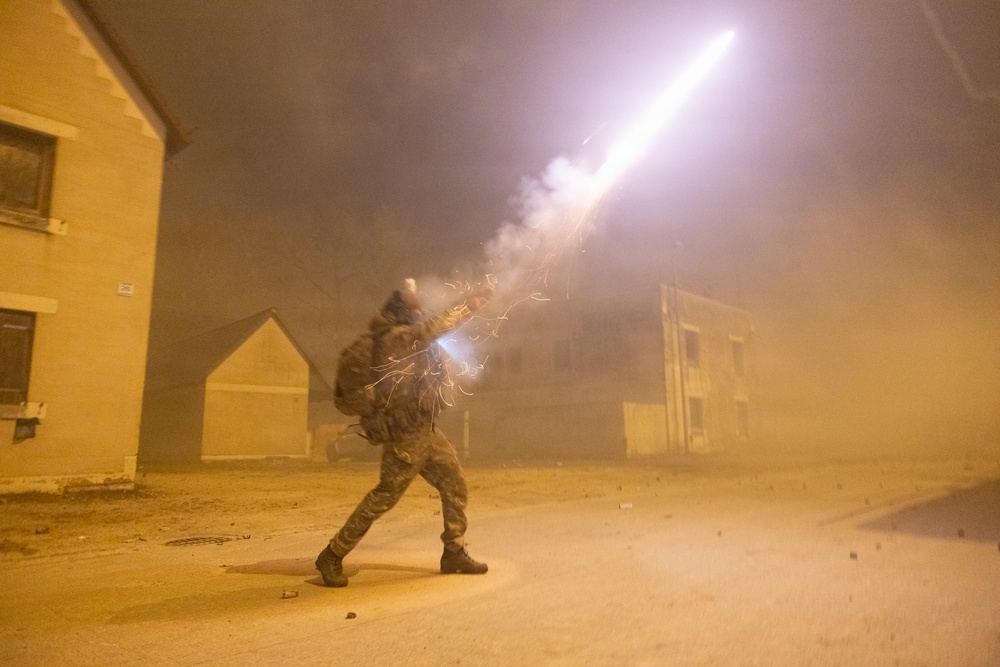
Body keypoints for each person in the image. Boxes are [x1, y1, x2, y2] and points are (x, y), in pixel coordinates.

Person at [315, 279, 493, 587]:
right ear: (401, 313)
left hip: (425, 432)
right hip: (406, 438)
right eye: (415, 310)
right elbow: (434, 328)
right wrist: (470, 304)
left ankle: (454, 552)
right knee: (384, 497)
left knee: (454, 484)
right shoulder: (395, 339)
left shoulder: (399, 338)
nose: (421, 313)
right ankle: (332, 554)